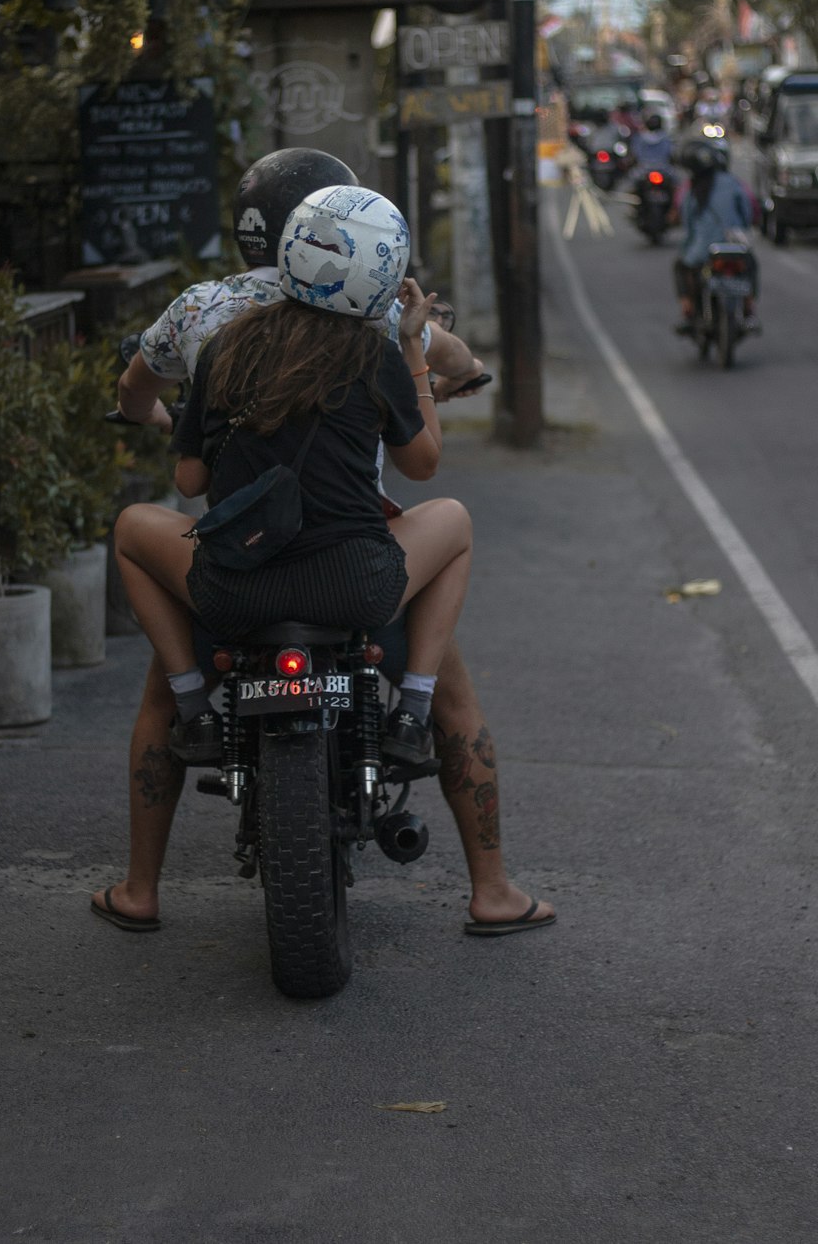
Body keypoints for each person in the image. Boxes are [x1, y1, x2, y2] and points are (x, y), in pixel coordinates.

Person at [92, 149, 555, 939]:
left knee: (158, 691)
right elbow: (429, 449)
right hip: (359, 581)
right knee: (451, 683)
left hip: (234, 584)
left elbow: (189, 476)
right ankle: (491, 886)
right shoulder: (373, 324)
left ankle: (141, 885)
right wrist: (420, 348)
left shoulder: (211, 321)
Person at [674, 140, 757, 333]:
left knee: (680, 267)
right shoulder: (734, 183)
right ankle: (749, 310)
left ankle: (687, 310)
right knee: (751, 267)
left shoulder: (690, 189)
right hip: (735, 246)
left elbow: (687, 223)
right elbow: (747, 213)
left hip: (701, 251)